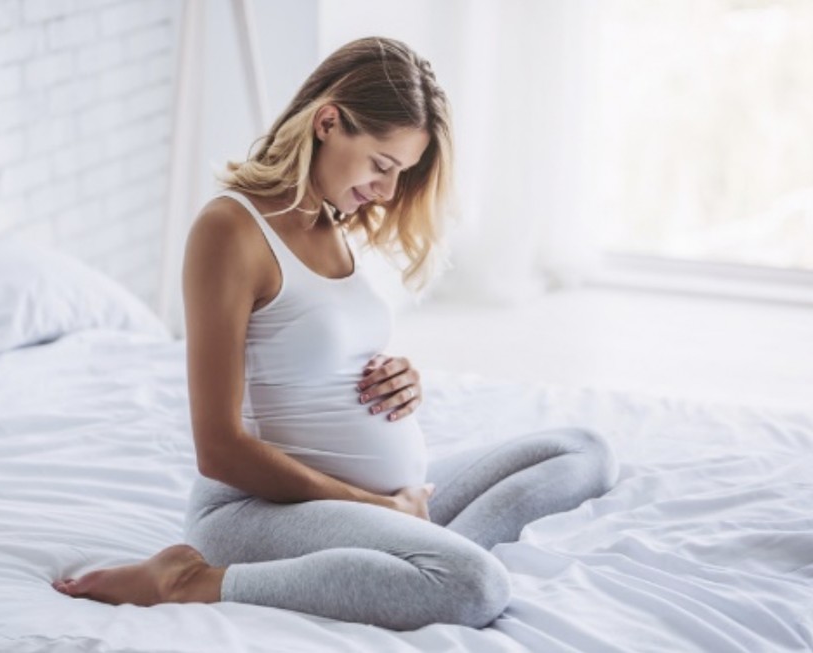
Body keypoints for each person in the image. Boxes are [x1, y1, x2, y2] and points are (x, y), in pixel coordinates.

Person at [52, 36, 618, 630]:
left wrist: (402, 378)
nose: (388, 191)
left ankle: (406, 549)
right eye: (381, 165)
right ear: (328, 122)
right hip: (257, 512)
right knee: (473, 586)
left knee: (583, 451)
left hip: (377, 502)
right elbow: (217, 449)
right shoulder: (230, 230)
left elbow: (315, 353)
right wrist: (376, 507)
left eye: (400, 173)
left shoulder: (330, 218)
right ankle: (193, 581)